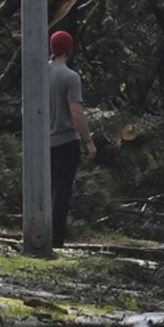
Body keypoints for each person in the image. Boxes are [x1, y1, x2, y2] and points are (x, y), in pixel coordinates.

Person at [48, 30, 96, 248]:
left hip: (43, 143)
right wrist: (88, 141)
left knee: (46, 191)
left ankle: (40, 232)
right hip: (66, 142)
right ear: (69, 50)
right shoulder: (70, 77)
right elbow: (76, 113)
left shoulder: (40, 74)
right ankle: (55, 241)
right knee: (62, 193)